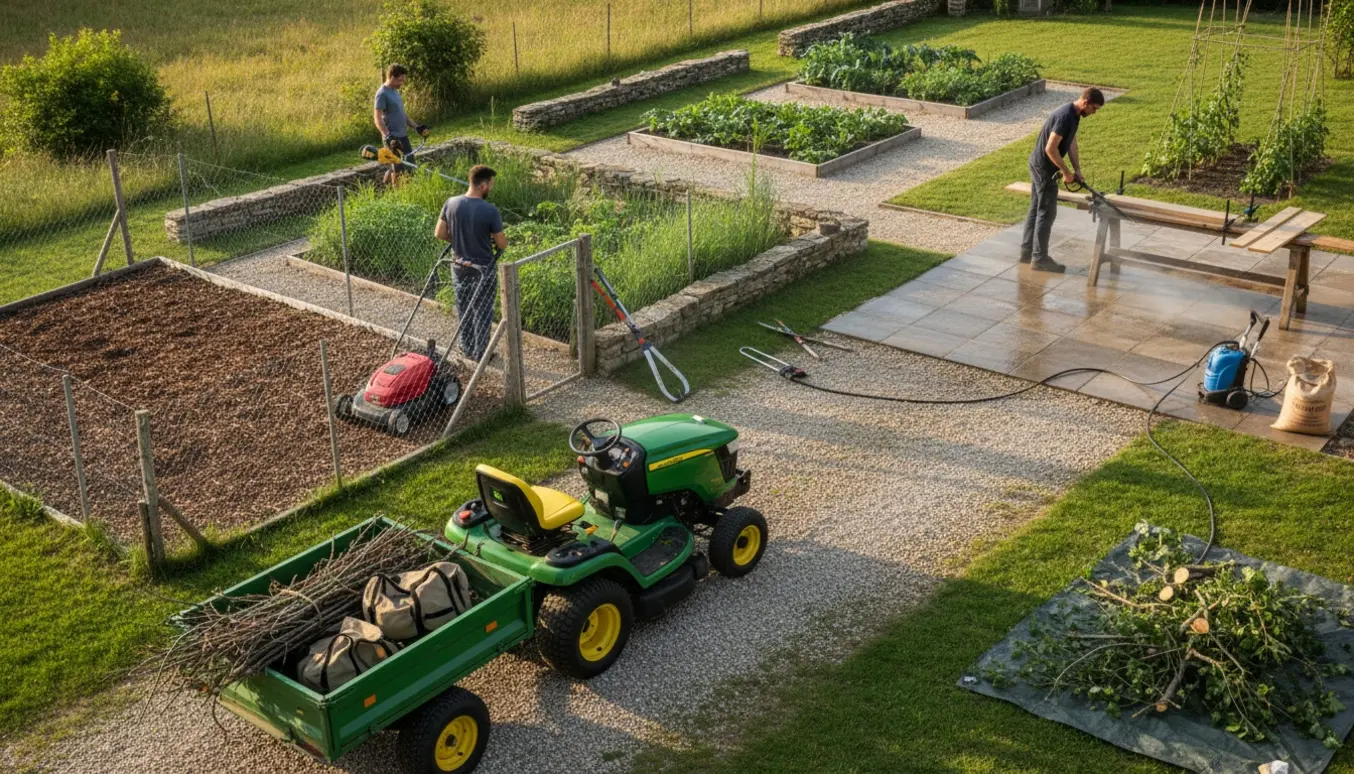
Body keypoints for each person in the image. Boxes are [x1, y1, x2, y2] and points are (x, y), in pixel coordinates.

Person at [1021, 87, 1105, 273]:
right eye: (1094, 109)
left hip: (1039, 165)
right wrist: (1066, 172)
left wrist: (1077, 169)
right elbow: (1050, 149)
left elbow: (1071, 142)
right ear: (1085, 103)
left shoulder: (1073, 116)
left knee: (1036, 209)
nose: (1094, 113)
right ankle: (1039, 259)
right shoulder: (1065, 116)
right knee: (1046, 213)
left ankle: (1027, 252)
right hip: (1044, 169)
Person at [435, 165, 506, 361]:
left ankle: (466, 348)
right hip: (482, 268)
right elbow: (501, 243)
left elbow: (439, 233)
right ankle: (481, 353)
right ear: (483, 185)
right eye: (491, 184)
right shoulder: (490, 210)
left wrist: (457, 240)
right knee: (482, 311)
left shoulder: (451, 203)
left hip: (458, 266)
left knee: (463, 307)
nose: (491, 188)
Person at [373, 64, 429, 187]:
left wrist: (416, 127)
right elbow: (377, 118)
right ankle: (397, 194)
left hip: (403, 136)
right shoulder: (382, 93)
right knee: (397, 169)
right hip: (393, 138)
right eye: (400, 80)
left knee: (409, 164)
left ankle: (387, 187)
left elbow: (402, 114)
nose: (402, 83)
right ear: (392, 76)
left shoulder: (395, 91)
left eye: (403, 80)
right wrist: (388, 136)